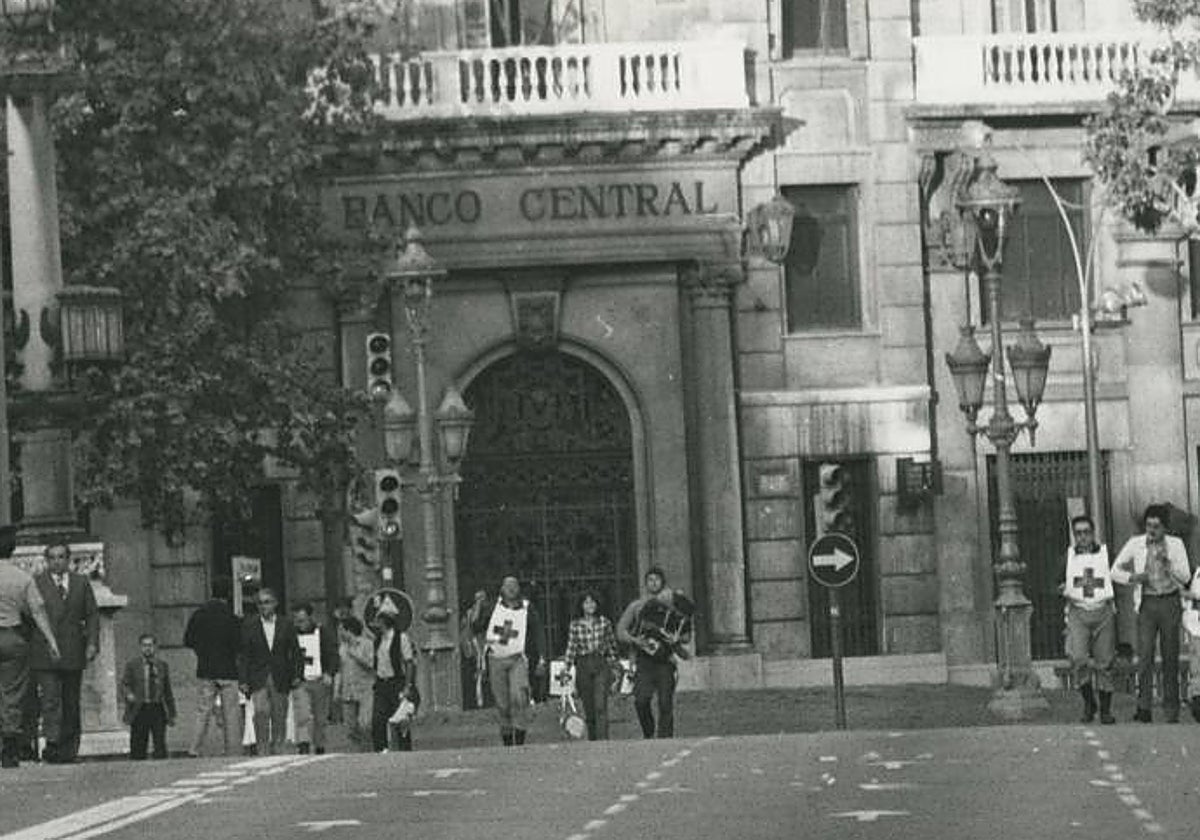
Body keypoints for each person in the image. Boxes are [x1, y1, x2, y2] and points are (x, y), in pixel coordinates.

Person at [1112, 503, 1192, 723]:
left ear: (1165, 527)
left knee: (1170, 656)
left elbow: (1186, 576)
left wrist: (1170, 565)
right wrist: (1134, 578)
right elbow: (1114, 570)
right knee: (1145, 655)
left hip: (1169, 601)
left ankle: (1171, 710)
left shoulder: (1175, 545)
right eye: (1149, 526)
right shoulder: (1136, 544)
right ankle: (1144, 707)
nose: (1152, 531)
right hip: (1147, 603)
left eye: (1157, 526)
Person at [29, 541, 99, 764]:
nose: (57, 562)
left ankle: (69, 749)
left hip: (72, 650)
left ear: (68, 560)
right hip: (45, 651)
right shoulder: (37, 584)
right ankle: (52, 745)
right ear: (46, 561)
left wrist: (92, 643)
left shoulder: (80, 583)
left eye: (61, 557)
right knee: (50, 700)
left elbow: (92, 615)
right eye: (52, 557)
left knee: (71, 700)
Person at [0, 524, 60, 768]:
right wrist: (52, 641)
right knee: (13, 694)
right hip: (13, 636)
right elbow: (37, 611)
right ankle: (10, 748)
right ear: (12, 550)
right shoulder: (22, 578)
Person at [617, 566, 693, 739]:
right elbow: (621, 631)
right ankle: (649, 733)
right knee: (641, 701)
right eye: (650, 580)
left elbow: (686, 635)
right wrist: (635, 640)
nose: (654, 583)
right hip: (643, 660)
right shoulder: (636, 606)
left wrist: (677, 640)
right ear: (645, 584)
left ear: (663, 582)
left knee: (665, 702)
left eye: (657, 579)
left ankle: (665, 739)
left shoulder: (673, 605)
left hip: (665, 660)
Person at [470, 576, 546, 746]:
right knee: (502, 704)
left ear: (519, 588)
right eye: (507, 585)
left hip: (517, 659)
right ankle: (507, 743)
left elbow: (538, 630)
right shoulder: (492, 607)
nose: (511, 589)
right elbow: (476, 627)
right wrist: (478, 606)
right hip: (496, 659)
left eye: (514, 585)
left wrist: (542, 657)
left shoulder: (527, 608)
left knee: (519, 697)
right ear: (502, 589)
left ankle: (519, 741)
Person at [1059, 515, 1116, 724]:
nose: (1083, 537)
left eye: (1086, 532)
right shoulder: (1067, 558)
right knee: (1078, 658)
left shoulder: (1105, 554)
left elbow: (1115, 577)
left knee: (1104, 661)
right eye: (1078, 533)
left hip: (1103, 611)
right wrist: (1061, 588)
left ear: (1093, 533)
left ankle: (1106, 711)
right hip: (1078, 612)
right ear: (1074, 536)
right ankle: (1089, 702)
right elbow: (1057, 581)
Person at [238, 588, 303, 754]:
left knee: (279, 713)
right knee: (260, 711)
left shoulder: (286, 624)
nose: (263, 606)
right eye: (260, 603)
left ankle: (278, 746)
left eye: (267, 602)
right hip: (258, 676)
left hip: (280, 674)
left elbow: (295, 651)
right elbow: (244, 654)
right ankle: (262, 748)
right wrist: (243, 680)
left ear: (275, 604)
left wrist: (297, 674)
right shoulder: (249, 625)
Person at [183, 575, 242, 756]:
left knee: (203, 711)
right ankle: (232, 749)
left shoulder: (200, 614)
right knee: (230, 713)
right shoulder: (231, 617)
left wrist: (202, 652)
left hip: (206, 668)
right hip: (228, 670)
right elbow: (238, 644)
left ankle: (194, 748)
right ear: (228, 594)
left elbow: (188, 640)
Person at [562, 590, 619, 741]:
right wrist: (566, 668)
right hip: (583, 664)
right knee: (589, 707)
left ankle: (603, 740)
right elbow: (571, 647)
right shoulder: (575, 625)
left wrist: (614, 666)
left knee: (600, 705)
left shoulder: (604, 622)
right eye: (586, 602)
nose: (590, 605)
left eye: (593, 602)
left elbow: (611, 645)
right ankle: (593, 741)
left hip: (600, 662)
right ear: (581, 605)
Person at [291, 602, 338, 755]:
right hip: (301, 681)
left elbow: (332, 654)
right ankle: (303, 744)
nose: (300, 624)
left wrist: (329, 673)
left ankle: (319, 745)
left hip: (319, 679)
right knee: (302, 713)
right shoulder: (291, 634)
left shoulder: (323, 633)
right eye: (297, 621)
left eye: (302, 620)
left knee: (320, 717)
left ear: (310, 618)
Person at [121, 633, 176, 760]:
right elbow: (125, 683)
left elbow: (167, 690)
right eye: (145, 645)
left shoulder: (162, 665)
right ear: (140, 647)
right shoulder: (132, 665)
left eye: (150, 645)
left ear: (155, 647)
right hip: (140, 707)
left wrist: (172, 713)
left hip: (157, 707)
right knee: (138, 743)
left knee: (160, 742)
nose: (147, 648)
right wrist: (129, 694)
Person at [370, 610, 417, 752]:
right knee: (378, 717)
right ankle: (381, 748)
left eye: (379, 622)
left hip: (396, 682)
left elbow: (409, 662)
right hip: (381, 683)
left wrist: (408, 685)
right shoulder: (378, 640)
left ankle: (404, 749)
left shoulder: (400, 637)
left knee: (400, 717)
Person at [335, 615, 375, 749]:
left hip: (365, 689)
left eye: (341, 630)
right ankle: (359, 751)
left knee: (365, 724)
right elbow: (340, 670)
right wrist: (336, 690)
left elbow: (371, 664)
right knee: (350, 727)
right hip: (348, 691)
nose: (339, 633)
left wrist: (355, 655)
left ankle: (369, 749)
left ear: (349, 630)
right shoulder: (342, 648)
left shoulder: (367, 644)